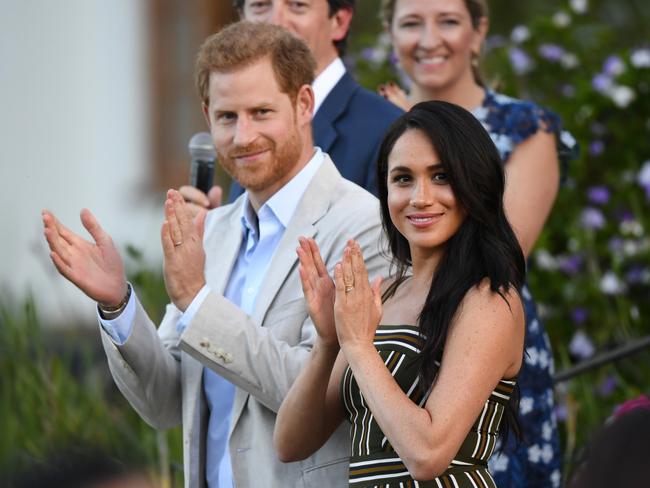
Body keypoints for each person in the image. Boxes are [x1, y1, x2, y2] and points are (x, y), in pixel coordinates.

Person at [42, 21, 388, 487]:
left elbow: (325, 395)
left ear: (304, 104)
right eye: (227, 117)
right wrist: (118, 304)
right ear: (207, 117)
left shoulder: (361, 224)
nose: (243, 136)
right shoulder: (214, 230)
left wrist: (198, 301)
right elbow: (166, 403)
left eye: (261, 112)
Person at [274, 100, 527, 487]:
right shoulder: (385, 295)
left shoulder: (489, 300)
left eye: (441, 176)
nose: (420, 197)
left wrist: (358, 346)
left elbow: (427, 455)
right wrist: (329, 342)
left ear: (474, 182)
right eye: (403, 178)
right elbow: (291, 443)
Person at [378, 1, 578, 485]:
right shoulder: (377, 124)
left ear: (478, 31)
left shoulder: (526, 126)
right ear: (389, 34)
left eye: (447, 20)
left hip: (486, 346)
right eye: (410, 23)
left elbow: (506, 247)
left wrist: (425, 132)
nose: (429, 39)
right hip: (390, 336)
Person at [182, 0, 403, 210]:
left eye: (298, 5)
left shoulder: (390, 132)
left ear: (339, 21)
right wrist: (219, 235)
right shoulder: (240, 128)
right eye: (260, 5)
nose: (276, 21)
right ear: (242, 19)